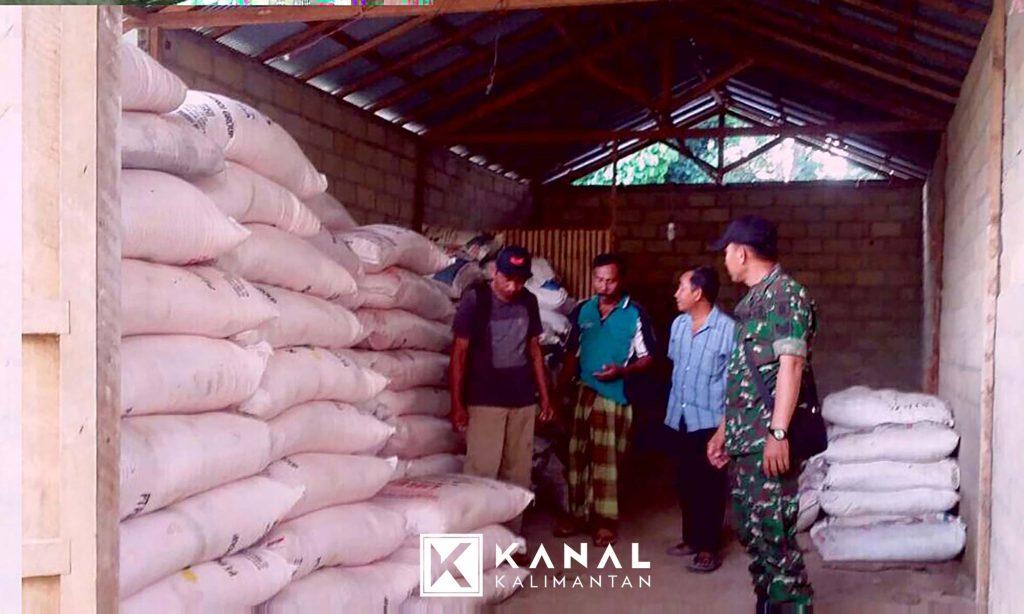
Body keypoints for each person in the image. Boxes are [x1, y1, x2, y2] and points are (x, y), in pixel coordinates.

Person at [706, 216, 816, 613]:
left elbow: (792, 366)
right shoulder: (751, 303)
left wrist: (779, 434)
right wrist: (724, 431)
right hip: (746, 442)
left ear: (742, 253)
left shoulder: (785, 295)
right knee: (754, 538)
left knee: (776, 541)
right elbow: (746, 376)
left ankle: (792, 606)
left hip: (768, 444)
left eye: (726, 252)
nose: (724, 260)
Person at [450, 245, 555, 534]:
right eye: (508, 279)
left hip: (522, 399)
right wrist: (457, 403)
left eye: (520, 281)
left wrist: (545, 397)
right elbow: (459, 354)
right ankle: (478, 539)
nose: (513, 287)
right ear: (495, 272)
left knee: (517, 474)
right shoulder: (476, 300)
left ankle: (511, 539)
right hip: (485, 401)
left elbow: (534, 350)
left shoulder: (529, 301)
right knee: (482, 472)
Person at [554, 253, 656, 547]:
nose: (604, 286)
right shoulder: (582, 310)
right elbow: (571, 355)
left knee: (607, 460)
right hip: (583, 392)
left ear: (621, 280)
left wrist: (622, 371)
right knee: (577, 456)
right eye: (599, 279)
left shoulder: (634, 313)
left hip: (615, 396)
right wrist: (559, 394)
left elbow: (648, 358)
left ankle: (604, 522)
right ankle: (577, 514)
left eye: (610, 280)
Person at [664, 266, 736, 574]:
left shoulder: (728, 330)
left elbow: (735, 383)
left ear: (698, 293)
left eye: (682, 288)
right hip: (680, 415)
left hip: (710, 420)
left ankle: (708, 547)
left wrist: (724, 428)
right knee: (685, 480)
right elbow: (677, 367)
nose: (676, 294)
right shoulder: (679, 325)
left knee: (710, 485)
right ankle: (691, 538)